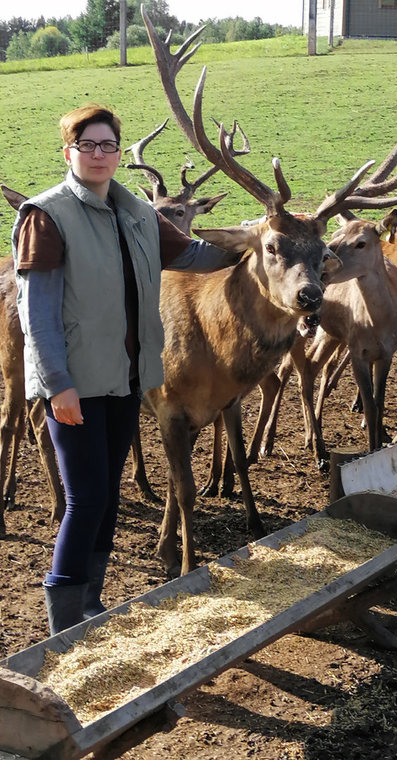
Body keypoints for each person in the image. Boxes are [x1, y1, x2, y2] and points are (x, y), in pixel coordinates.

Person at [11, 104, 240, 636]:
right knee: (84, 497)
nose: (99, 154)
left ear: (119, 153)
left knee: (109, 492)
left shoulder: (137, 213)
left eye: (108, 145)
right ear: (69, 152)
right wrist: (57, 384)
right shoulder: (46, 216)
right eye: (87, 145)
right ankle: (63, 623)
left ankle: (89, 605)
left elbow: (194, 256)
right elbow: (36, 312)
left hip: (126, 381)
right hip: (75, 384)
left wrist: (261, 245)